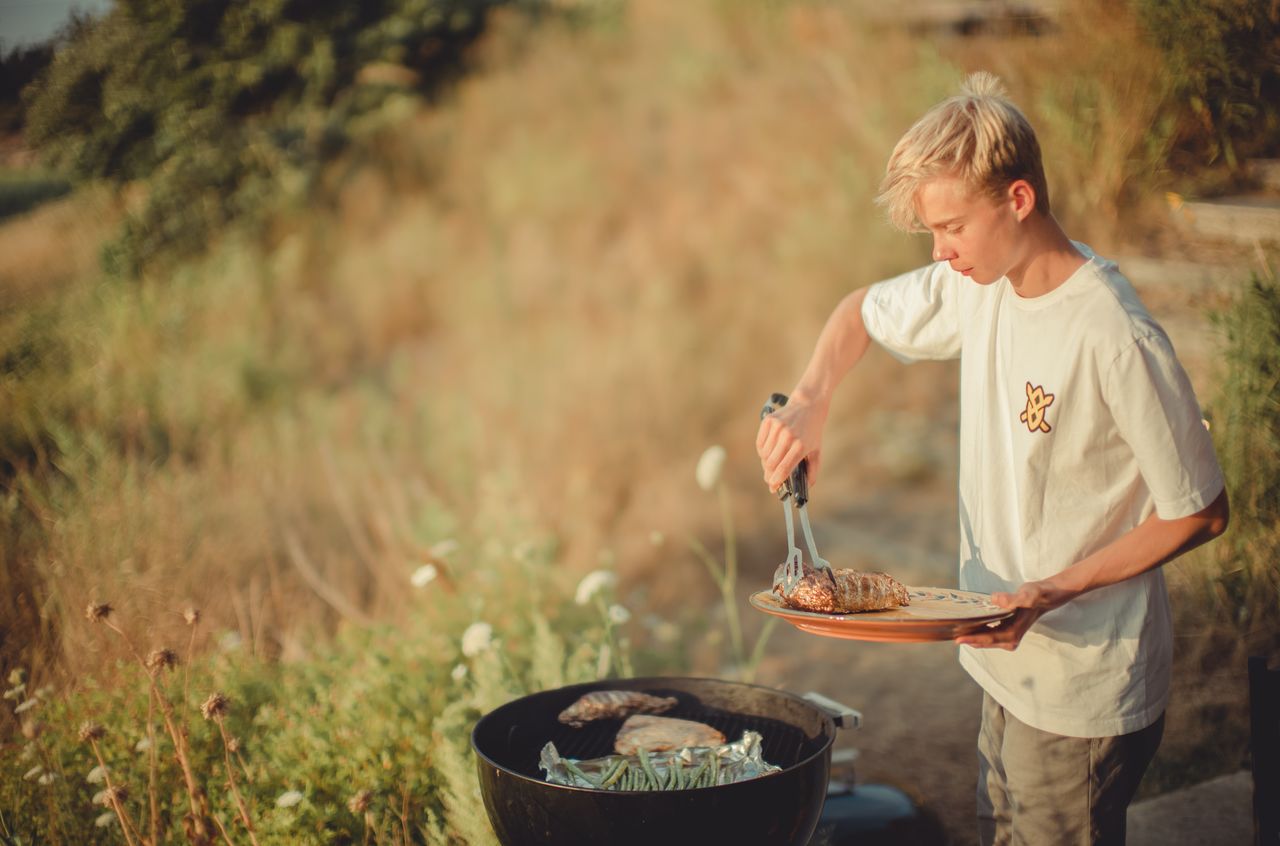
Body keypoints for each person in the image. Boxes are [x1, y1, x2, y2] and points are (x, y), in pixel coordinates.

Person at [755, 72, 1229, 846]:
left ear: (1017, 200)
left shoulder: (1112, 333)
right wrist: (810, 399)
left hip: (1082, 681)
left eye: (951, 228)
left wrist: (1049, 591)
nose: (941, 253)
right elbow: (857, 315)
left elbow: (1201, 512)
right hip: (1001, 661)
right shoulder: (978, 283)